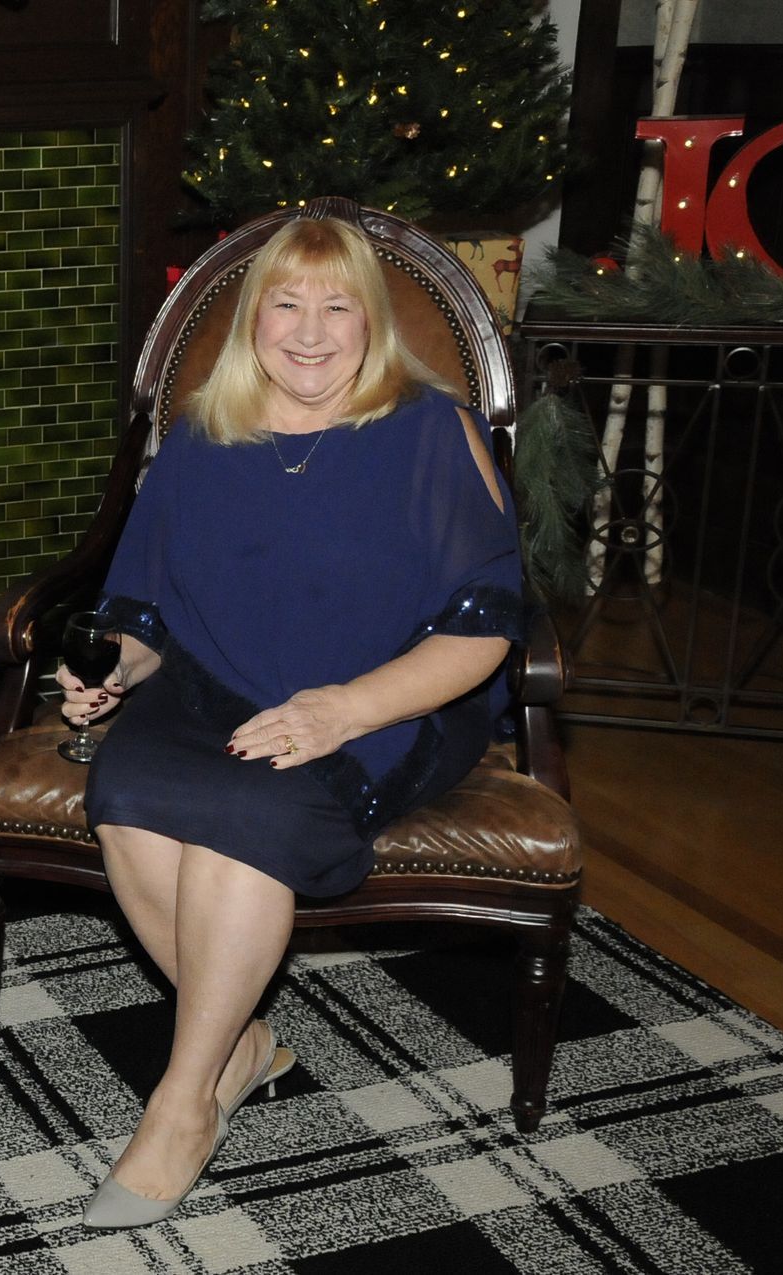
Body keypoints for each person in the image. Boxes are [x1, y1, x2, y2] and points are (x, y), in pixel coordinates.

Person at [56, 214, 523, 1229]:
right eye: (286, 304)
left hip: (386, 702)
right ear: (249, 318)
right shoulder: (202, 431)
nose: (310, 332)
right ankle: (247, 1043)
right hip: (215, 689)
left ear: (374, 323)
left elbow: (484, 627)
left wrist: (343, 709)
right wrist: (110, 670)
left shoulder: (428, 427)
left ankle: (184, 1103)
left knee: (241, 833)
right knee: (125, 795)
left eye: (338, 307)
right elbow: (143, 612)